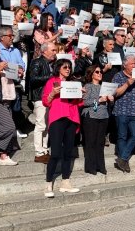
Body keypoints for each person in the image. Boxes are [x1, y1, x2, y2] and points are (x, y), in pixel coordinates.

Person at [42, 59, 82, 198]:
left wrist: (81, 93)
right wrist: (53, 93)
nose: (68, 69)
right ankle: (48, 183)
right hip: (58, 118)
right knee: (56, 153)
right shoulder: (51, 81)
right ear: (58, 68)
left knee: (68, 152)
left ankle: (65, 181)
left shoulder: (73, 83)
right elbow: (46, 102)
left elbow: (79, 102)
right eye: (65, 67)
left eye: (69, 67)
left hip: (71, 118)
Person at [112, 56, 135, 173]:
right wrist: (127, 83)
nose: (134, 66)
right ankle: (125, 163)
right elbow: (115, 93)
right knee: (122, 136)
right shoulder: (118, 76)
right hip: (121, 111)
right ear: (125, 65)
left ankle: (122, 158)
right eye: (132, 64)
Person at [0, 41, 20, 166]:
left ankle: (3, 156)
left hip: (7, 98)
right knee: (8, 127)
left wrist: (18, 74)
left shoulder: (0, 62)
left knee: (9, 128)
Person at [81, 65, 114, 175]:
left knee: (100, 143)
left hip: (103, 116)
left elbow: (109, 103)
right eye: (97, 72)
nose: (100, 73)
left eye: (100, 72)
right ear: (92, 74)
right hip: (91, 116)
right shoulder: (88, 86)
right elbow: (84, 102)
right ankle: (91, 167)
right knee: (91, 142)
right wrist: (99, 100)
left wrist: (111, 100)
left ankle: (101, 166)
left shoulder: (104, 87)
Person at [29, 42, 57, 163]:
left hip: (49, 97)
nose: (55, 53)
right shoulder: (37, 62)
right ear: (44, 51)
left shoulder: (51, 64)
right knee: (40, 125)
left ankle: (44, 150)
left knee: (46, 125)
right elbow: (33, 79)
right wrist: (50, 77)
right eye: (53, 50)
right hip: (40, 97)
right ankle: (39, 152)